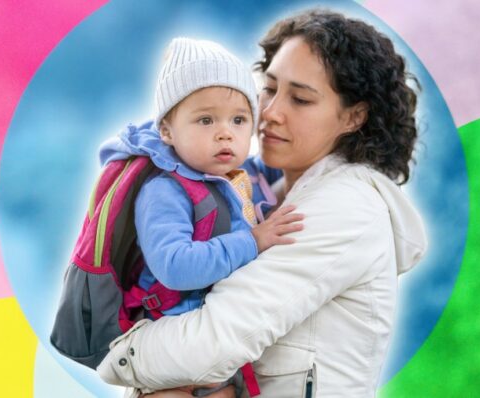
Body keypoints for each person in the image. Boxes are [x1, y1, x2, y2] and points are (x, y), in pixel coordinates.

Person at [97, 9, 428, 398]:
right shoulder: (246, 189)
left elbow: (210, 346)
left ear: (353, 117)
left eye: (301, 99)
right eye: (269, 89)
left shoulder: (345, 208)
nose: (269, 114)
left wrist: (122, 354)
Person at [98, 37, 304, 396]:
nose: (225, 132)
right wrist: (252, 241)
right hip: (173, 347)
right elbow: (175, 266)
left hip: (220, 348)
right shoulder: (165, 191)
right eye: (206, 120)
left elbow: (291, 168)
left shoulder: (245, 176)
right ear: (167, 131)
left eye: (239, 119)